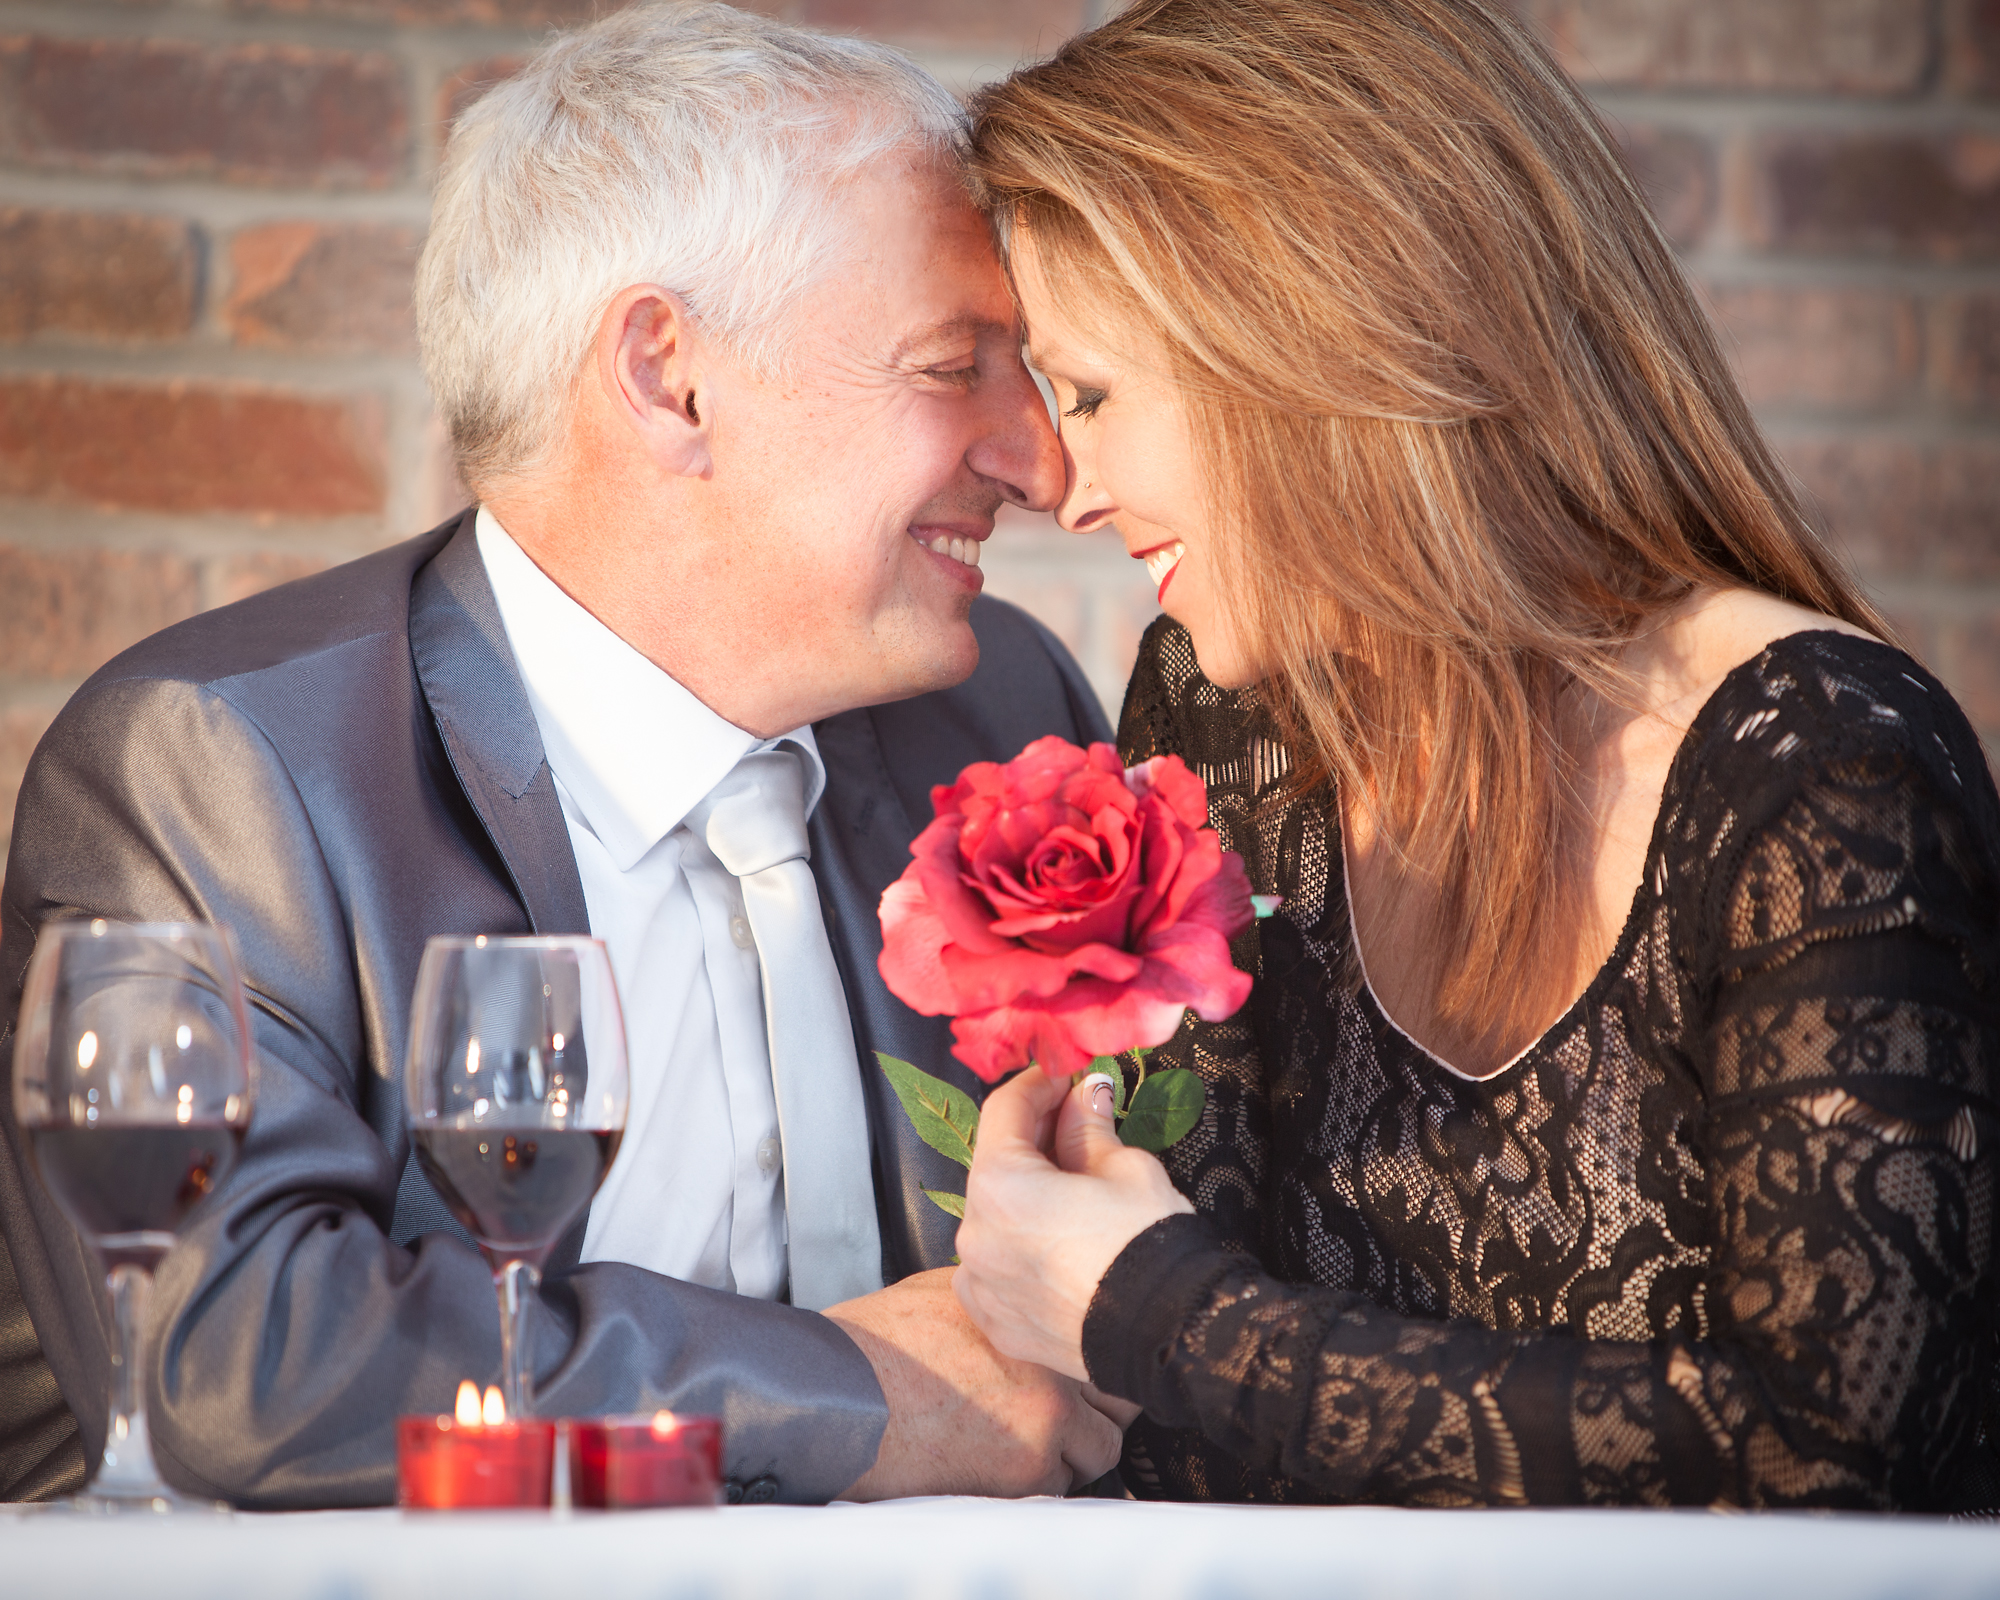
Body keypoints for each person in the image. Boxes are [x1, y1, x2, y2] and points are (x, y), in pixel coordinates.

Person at [0, 2, 1131, 1506]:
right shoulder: (228, 765)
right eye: (954, 365)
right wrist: (866, 1397)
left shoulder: (1004, 723)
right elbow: (242, 1362)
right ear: (670, 378)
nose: (1040, 461)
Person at [949, 0, 1999, 1510]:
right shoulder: (1224, 713)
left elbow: (1838, 1447)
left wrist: (1159, 1316)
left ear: (1319, 332)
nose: (1067, 483)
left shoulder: (1820, 769)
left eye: (1096, 395)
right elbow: (1184, 1449)